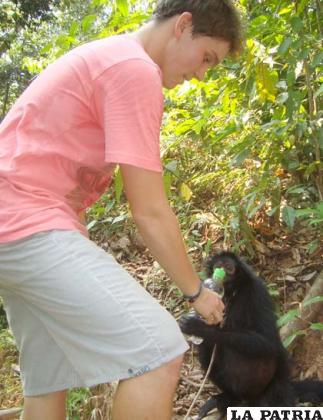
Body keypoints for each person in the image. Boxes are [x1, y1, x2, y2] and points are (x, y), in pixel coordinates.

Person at [0, 0, 242, 418]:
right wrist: (196, 292)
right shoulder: (133, 69)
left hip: (19, 224)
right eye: (206, 58)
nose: (202, 75)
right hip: (25, 221)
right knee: (160, 352)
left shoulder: (110, 56)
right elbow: (148, 209)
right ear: (183, 25)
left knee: (47, 386)